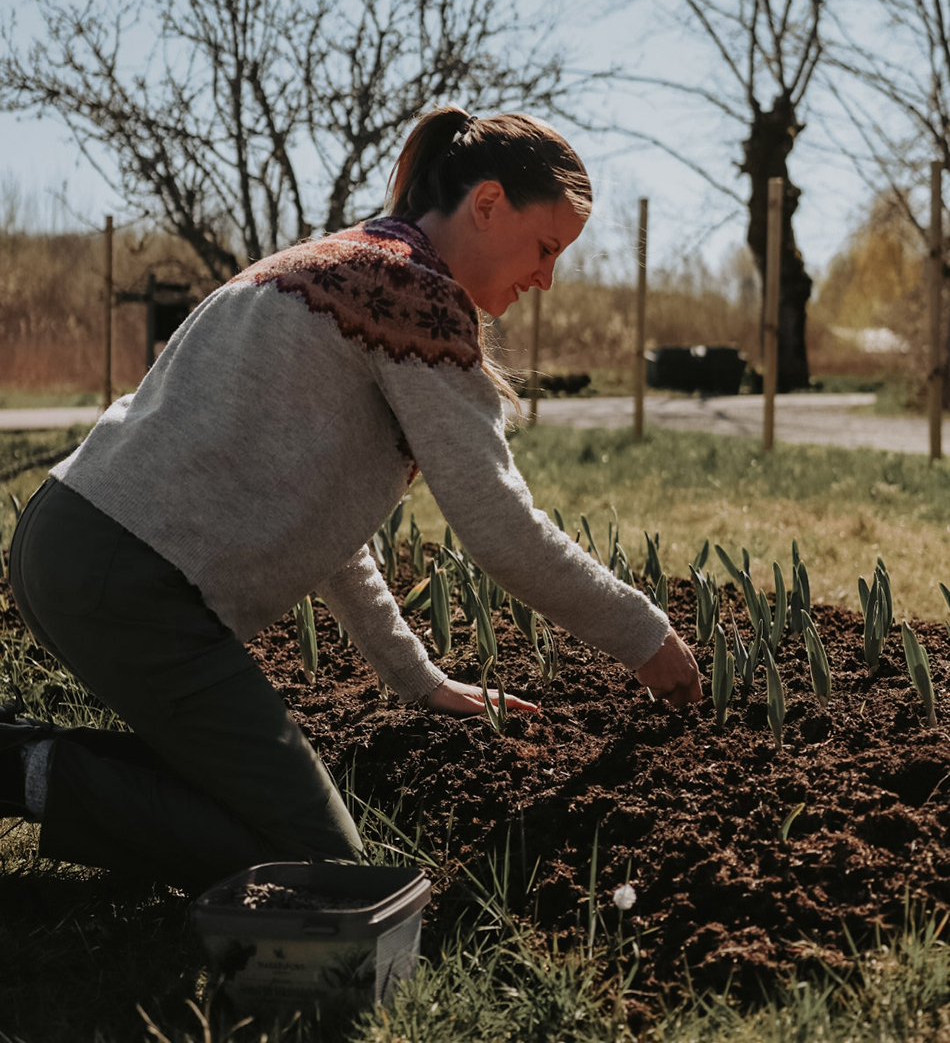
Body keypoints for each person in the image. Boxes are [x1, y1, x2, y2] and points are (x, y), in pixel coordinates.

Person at [4, 106, 701, 893]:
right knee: (318, 864)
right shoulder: (411, 294)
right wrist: (644, 635)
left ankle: (29, 760)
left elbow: (332, 526)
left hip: (70, 543)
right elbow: (500, 525)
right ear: (486, 203)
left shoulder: (345, 261)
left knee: (254, 801)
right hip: (127, 580)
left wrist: (416, 678)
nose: (546, 278)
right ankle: (17, 766)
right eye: (546, 248)